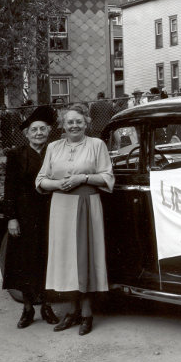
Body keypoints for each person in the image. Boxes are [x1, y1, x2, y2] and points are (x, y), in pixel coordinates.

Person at [36, 104, 115, 336]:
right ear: (62, 124)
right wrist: (58, 184)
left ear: (87, 122)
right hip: (61, 207)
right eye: (69, 122)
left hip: (87, 206)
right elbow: (41, 180)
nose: (74, 125)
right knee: (66, 260)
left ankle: (87, 313)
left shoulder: (96, 145)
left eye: (78, 121)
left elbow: (107, 177)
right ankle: (71, 312)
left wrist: (83, 177)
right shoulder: (53, 147)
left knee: (85, 258)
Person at [3, 106, 60, 329]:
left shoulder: (55, 152)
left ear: (48, 132)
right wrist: (11, 218)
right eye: (34, 129)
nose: (38, 133)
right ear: (26, 133)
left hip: (50, 212)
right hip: (25, 214)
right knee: (25, 261)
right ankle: (28, 308)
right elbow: (10, 189)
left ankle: (46, 305)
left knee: (48, 257)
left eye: (43, 129)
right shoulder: (16, 155)